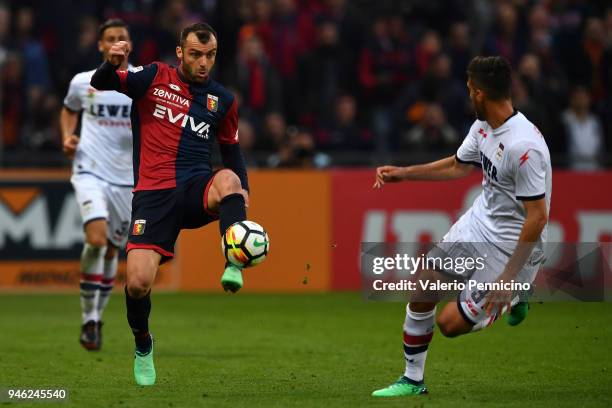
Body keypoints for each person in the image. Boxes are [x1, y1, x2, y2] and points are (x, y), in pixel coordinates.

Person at [371, 56, 551, 396]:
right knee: (424, 288)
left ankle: (514, 295)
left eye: (470, 90)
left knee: (449, 324)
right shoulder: (483, 127)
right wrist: (404, 174)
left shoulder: (524, 147)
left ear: (480, 93)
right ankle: (412, 380)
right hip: (478, 225)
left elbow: (537, 217)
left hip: (511, 248)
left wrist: (507, 278)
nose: (468, 96)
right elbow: (458, 166)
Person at [90, 22, 251, 386]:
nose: (203, 63)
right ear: (180, 53)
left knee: (230, 181)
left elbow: (232, 153)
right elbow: (103, 83)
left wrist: (245, 192)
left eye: (209, 55)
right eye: (195, 54)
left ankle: (234, 258)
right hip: (153, 195)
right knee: (137, 283)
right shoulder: (154, 76)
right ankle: (143, 344)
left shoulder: (222, 100)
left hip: (196, 186)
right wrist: (110, 62)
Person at [61, 18, 134, 352]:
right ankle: (88, 317)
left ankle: (94, 321)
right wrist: (67, 136)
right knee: (96, 239)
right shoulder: (83, 82)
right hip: (90, 170)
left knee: (110, 250)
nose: (117, 42)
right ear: (101, 46)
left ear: (128, 45)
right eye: (111, 38)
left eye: (122, 37)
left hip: (128, 181)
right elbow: (68, 110)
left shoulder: (141, 82)